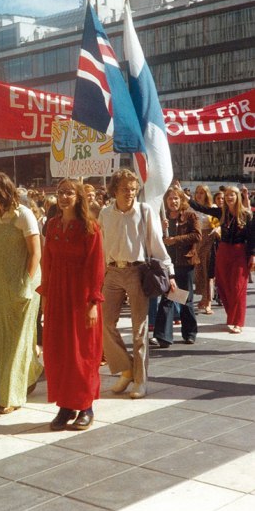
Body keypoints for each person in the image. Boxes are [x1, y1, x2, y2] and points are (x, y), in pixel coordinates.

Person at [99, 169, 175, 400]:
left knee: (139, 329)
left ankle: (140, 381)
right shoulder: (104, 214)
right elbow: (101, 247)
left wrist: (169, 272)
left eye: (133, 189)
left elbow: (156, 243)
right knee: (105, 323)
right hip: (111, 272)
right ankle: (126, 368)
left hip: (137, 271)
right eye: (125, 189)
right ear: (114, 191)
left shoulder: (145, 211)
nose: (130, 193)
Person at [37, 179, 104, 430]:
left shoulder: (90, 228)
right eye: (61, 193)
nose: (64, 197)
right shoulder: (52, 225)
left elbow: (96, 267)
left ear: (79, 198)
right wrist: (45, 297)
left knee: (82, 352)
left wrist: (93, 302)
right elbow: (48, 262)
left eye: (69, 193)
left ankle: (85, 406)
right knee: (60, 352)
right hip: (57, 295)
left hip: (81, 295)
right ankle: (65, 406)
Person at [0, 172, 43, 415]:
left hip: (22, 284)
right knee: (3, 341)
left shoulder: (24, 215)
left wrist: (26, 284)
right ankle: (31, 372)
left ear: (1, 193)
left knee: (17, 340)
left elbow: (36, 253)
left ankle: (11, 396)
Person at [189, 185, 255, 334]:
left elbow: (252, 238)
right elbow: (202, 208)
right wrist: (187, 199)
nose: (229, 198)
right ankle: (231, 316)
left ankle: (238, 321)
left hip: (239, 252)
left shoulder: (247, 215)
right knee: (223, 286)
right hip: (223, 251)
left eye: (232, 195)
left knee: (238, 287)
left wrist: (253, 255)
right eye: (227, 195)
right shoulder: (221, 212)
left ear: (237, 197)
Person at [151, 188, 201, 348]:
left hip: (184, 264)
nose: (173, 202)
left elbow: (197, 235)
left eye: (176, 199)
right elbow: (153, 237)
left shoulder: (190, 215)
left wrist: (176, 240)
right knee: (168, 298)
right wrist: (160, 226)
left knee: (184, 299)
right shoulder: (162, 217)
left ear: (181, 200)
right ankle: (163, 336)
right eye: (170, 199)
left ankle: (190, 333)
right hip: (167, 264)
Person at [190, 185, 219, 315]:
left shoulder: (212, 208)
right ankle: (203, 297)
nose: (199, 195)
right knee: (199, 271)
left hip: (209, 239)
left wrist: (217, 229)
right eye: (197, 192)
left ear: (207, 194)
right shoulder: (191, 208)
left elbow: (219, 224)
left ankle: (208, 302)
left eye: (202, 193)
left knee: (208, 271)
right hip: (196, 240)